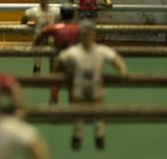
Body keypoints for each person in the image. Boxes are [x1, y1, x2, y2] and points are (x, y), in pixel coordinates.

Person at [52, 19, 127, 150]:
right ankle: (77, 137)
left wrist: (122, 72)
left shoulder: (101, 51)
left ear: (93, 34)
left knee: (98, 114)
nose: (86, 36)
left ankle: (99, 136)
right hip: (80, 89)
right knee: (78, 116)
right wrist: (60, 73)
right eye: (84, 33)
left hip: (95, 89)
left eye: (89, 33)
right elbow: (59, 62)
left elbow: (116, 59)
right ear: (79, 35)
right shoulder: (73, 52)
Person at [35, 3, 79, 103]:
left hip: (58, 57)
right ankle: (72, 104)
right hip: (72, 57)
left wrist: (35, 44)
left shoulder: (54, 27)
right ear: (72, 15)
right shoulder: (78, 28)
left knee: (55, 80)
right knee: (71, 81)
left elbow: (41, 34)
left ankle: (53, 101)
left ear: (61, 14)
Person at [21, 0, 59, 73]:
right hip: (39, 37)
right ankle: (37, 74)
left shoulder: (56, 11)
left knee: (53, 61)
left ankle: (53, 77)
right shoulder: (33, 11)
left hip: (51, 38)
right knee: (37, 61)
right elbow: (23, 19)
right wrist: (25, 29)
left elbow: (61, 21)